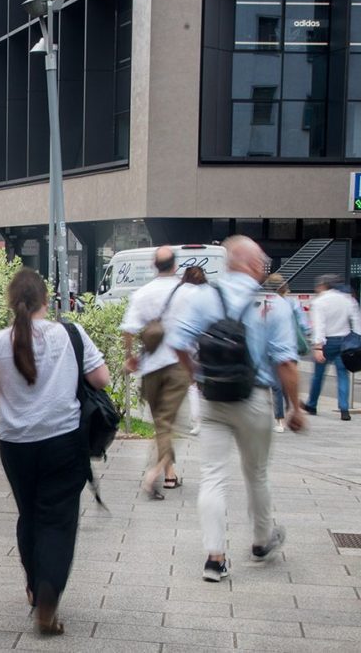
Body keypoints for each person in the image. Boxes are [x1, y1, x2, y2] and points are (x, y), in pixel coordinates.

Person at [168, 236, 306, 584]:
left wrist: (195, 375)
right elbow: (286, 363)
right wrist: (296, 408)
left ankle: (215, 559)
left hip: (213, 397)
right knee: (256, 473)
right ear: (255, 264)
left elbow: (177, 341)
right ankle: (261, 541)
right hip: (254, 398)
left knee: (212, 475)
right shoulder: (272, 303)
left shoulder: (204, 297)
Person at [0, 269, 109, 635]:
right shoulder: (70, 333)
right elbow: (101, 379)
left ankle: (35, 587)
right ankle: (47, 597)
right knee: (58, 520)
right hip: (63, 440)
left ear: (11, 302)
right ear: (46, 301)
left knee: (30, 515)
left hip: (15, 444)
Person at [120, 246, 192, 499]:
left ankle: (170, 475)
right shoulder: (187, 293)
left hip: (150, 368)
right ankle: (154, 474)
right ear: (175, 266)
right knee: (169, 423)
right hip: (178, 365)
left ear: (154, 266)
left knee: (161, 423)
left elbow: (128, 329)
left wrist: (130, 357)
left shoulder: (142, 293)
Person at [304, 273, 360, 421]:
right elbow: (356, 321)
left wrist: (318, 347)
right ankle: (344, 408)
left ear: (323, 286)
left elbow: (319, 326)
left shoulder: (319, 302)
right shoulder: (348, 300)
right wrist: (355, 340)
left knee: (318, 375)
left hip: (326, 341)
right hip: (344, 341)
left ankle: (312, 404)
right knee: (342, 374)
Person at [267, 274, 310, 432]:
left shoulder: (268, 303)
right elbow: (304, 325)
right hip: (291, 347)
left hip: (272, 349)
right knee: (288, 381)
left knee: (276, 386)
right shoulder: (293, 303)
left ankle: (280, 420)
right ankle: (292, 408)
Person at [179, 266, 208, 435]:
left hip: (186, 342)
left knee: (191, 383)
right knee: (202, 382)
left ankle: (195, 420)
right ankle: (204, 417)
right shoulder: (206, 293)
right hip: (206, 341)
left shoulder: (180, 292)